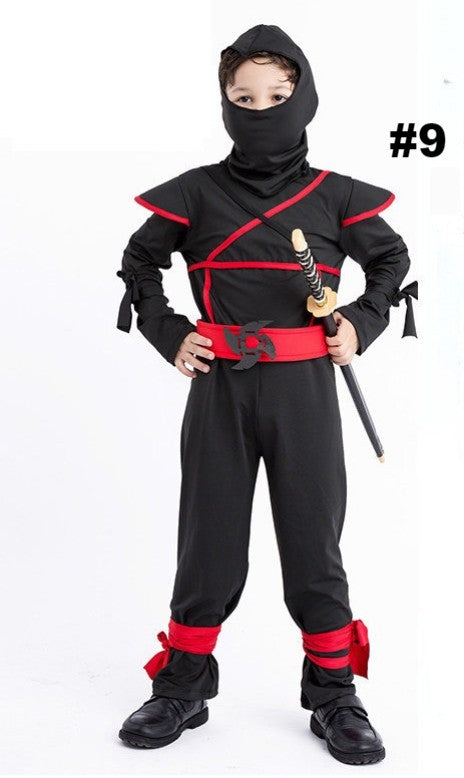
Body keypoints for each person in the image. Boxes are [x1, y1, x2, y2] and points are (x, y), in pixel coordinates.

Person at [115, 23, 417, 765]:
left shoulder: (337, 195)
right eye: (243, 98)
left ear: (304, 98)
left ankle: (335, 693)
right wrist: (168, 331)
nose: (260, 111)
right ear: (224, 102)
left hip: (304, 391)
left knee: (314, 544)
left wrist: (360, 323)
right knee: (208, 542)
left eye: (277, 96)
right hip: (219, 388)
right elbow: (139, 262)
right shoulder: (195, 192)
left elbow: (391, 261)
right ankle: (182, 686)